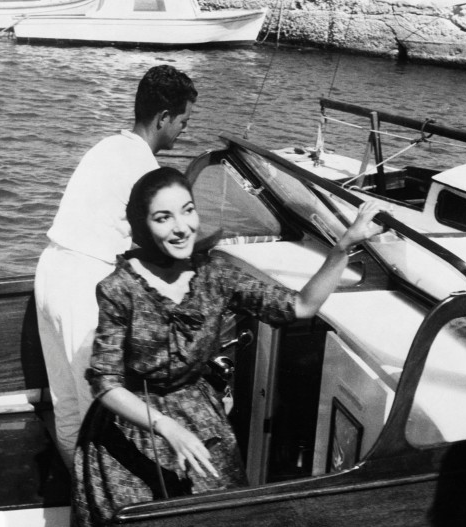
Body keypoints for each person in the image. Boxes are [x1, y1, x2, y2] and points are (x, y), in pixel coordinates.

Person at [72, 167, 383, 526]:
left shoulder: (216, 275)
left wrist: (344, 245)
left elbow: (300, 307)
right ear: (143, 225)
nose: (181, 227)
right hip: (131, 427)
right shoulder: (117, 288)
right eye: (163, 218)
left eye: (188, 210)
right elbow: (105, 383)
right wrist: (166, 428)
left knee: (220, 515)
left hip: (199, 417)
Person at [34, 65, 198, 470]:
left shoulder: (106, 146)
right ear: (163, 118)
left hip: (51, 272)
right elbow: (164, 251)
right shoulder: (147, 172)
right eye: (182, 122)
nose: (182, 132)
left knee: (68, 406)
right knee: (101, 413)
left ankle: (81, 500)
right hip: (83, 286)